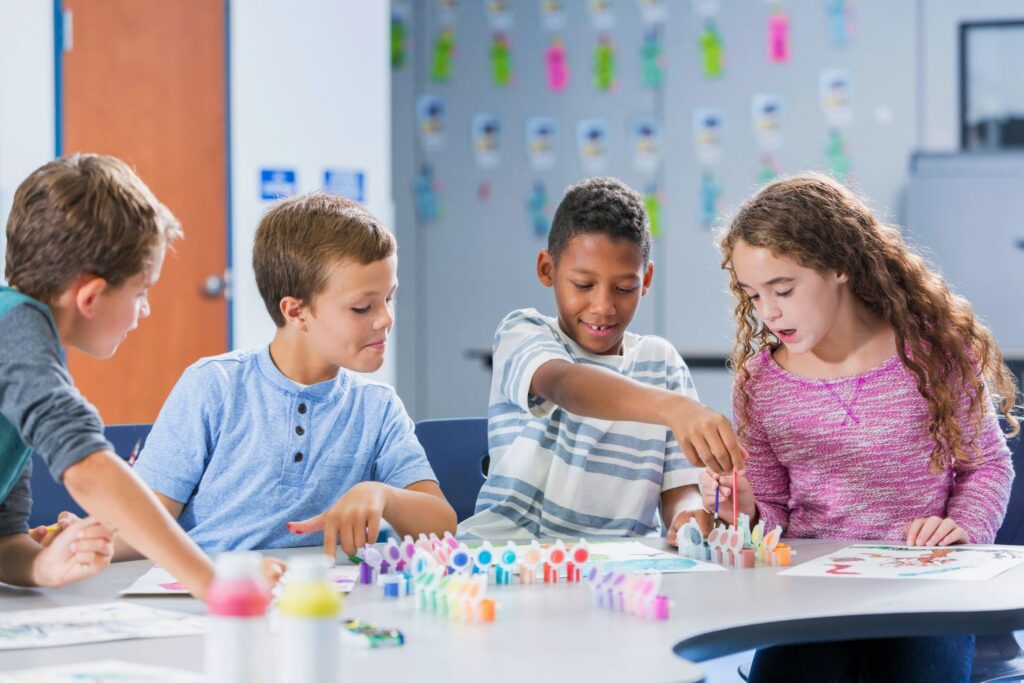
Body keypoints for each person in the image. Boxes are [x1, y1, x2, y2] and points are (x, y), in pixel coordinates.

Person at [702, 173, 1017, 683]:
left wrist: (963, 528)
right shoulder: (760, 382)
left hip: (923, 583)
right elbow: (772, 509)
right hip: (810, 592)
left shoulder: (935, 353)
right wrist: (745, 507)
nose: (769, 312)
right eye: (753, 295)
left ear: (839, 267)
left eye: (783, 289)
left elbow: (987, 466)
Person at [132, 193, 457, 558]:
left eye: (389, 298)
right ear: (295, 311)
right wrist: (86, 543)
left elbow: (442, 525)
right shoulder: (214, 386)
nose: (385, 319)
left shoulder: (377, 408)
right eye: (362, 307)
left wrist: (384, 495)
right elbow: (141, 524)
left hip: (326, 590)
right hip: (219, 586)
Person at [459, 176, 745, 541]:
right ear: (547, 269)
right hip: (513, 551)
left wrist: (690, 515)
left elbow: (679, 488)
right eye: (583, 285)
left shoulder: (662, 363)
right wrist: (674, 408)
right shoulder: (523, 333)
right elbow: (566, 385)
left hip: (623, 560)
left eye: (624, 288)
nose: (603, 306)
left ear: (646, 279)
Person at [0, 154, 214, 595]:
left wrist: (42, 565)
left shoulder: (21, 355)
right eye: (141, 292)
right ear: (91, 296)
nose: (145, 310)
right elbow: (89, 469)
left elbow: (4, 538)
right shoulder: (14, 327)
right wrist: (212, 583)